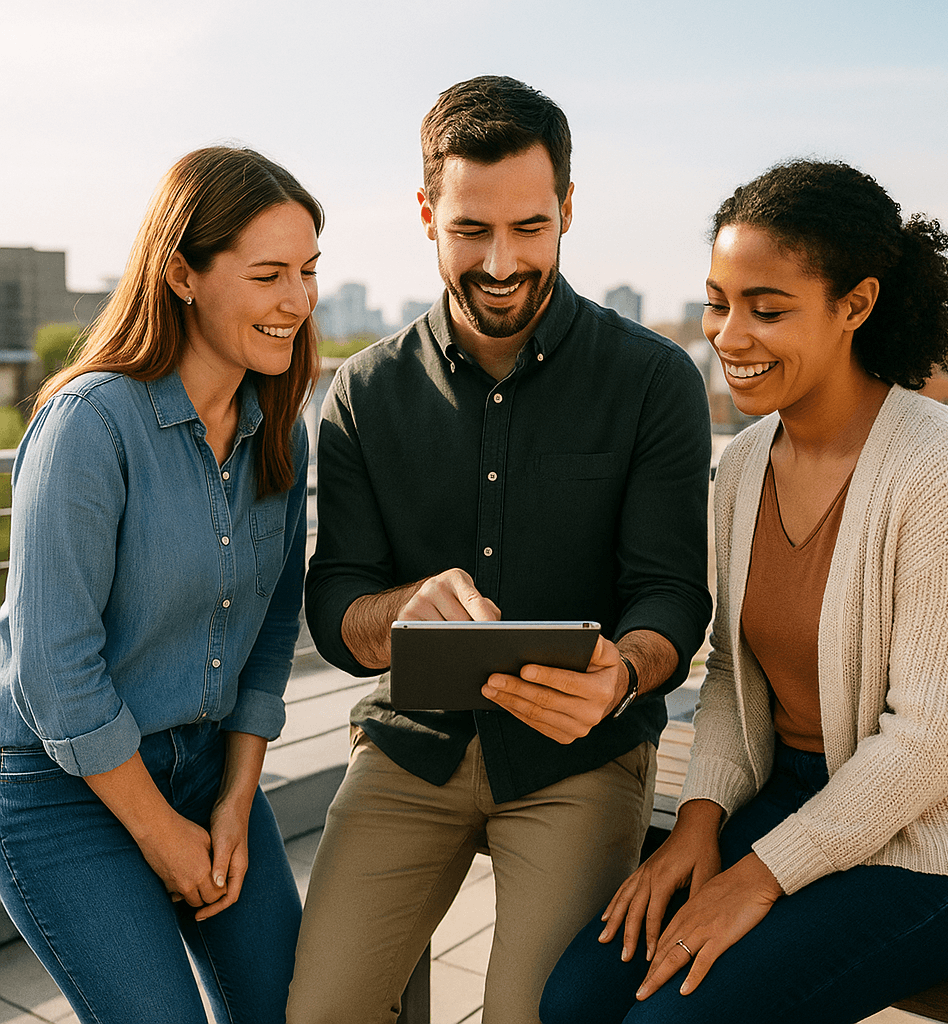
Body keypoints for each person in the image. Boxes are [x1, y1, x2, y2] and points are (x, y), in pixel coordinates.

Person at [539, 159, 948, 1024]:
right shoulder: (744, 467)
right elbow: (732, 671)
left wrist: (753, 878)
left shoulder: (946, 470)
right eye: (718, 302)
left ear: (856, 305)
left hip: (944, 841)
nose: (729, 335)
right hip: (795, 792)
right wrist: (698, 824)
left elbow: (932, 743)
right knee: (576, 1001)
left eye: (768, 309)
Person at [287, 75, 712, 1024]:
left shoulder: (653, 381)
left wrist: (625, 675)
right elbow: (336, 602)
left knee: (533, 1016)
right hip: (411, 750)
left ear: (567, 207)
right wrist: (396, 611)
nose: (503, 261)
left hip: (579, 761)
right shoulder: (360, 394)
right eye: (471, 230)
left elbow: (673, 595)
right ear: (427, 213)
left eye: (529, 226)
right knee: (319, 1014)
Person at [0, 145, 322, 1024]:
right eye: (268, 275)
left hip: (210, 770)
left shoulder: (278, 437)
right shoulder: (87, 426)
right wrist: (158, 831)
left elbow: (267, 640)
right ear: (182, 272)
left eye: (308, 271)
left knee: (298, 1010)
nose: (297, 302)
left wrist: (235, 798)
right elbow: (54, 674)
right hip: (62, 788)